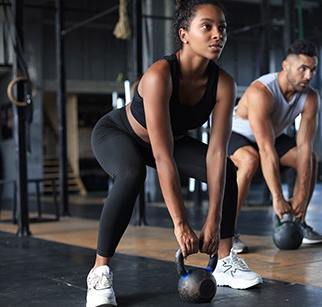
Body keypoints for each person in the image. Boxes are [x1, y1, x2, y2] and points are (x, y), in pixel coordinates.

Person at [86, 1, 262, 306]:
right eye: (206, 26)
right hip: (119, 134)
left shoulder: (223, 84)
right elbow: (162, 155)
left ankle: (224, 261)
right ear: (184, 34)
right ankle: (99, 272)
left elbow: (217, 153)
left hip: (172, 141)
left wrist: (213, 220)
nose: (217, 34)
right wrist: (180, 223)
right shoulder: (159, 75)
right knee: (131, 174)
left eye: (222, 27)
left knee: (229, 170)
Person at [228, 39, 322, 254]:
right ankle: (227, 231)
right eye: (303, 69)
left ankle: (299, 221)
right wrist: (278, 197)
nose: (309, 76)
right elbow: (266, 150)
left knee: (310, 158)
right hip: (238, 134)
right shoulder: (261, 92)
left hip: (272, 136)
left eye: (313, 70)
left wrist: (300, 194)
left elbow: (305, 145)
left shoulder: (310, 97)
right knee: (250, 159)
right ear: (286, 66)